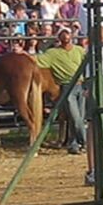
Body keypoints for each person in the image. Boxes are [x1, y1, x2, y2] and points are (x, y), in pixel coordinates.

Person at [35, 26, 86, 154]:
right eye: (63, 35)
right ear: (59, 38)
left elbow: (87, 64)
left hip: (80, 84)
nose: (66, 38)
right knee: (76, 117)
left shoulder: (79, 50)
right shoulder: (53, 53)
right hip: (67, 86)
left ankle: (75, 144)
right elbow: (38, 60)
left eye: (67, 34)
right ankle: (85, 141)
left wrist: (87, 84)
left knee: (79, 117)